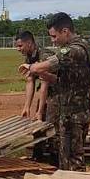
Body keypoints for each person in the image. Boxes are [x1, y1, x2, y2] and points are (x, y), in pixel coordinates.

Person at [22, 13, 90, 171]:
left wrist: (32, 67)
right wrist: (43, 75)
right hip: (82, 110)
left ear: (65, 31)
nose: (53, 40)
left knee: (72, 160)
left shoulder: (74, 50)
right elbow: (64, 80)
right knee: (70, 156)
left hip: (72, 115)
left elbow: (48, 63)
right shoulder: (89, 45)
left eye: (54, 36)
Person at [15, 31, 57, 163]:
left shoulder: (44, 55)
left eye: (20, 46)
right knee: (38, 124)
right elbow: (30, 81)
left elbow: (45, 83)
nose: (18, 49)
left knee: (49, 121)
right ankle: (38, 156)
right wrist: (26, 107)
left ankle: (55, 158)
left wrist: (39, 111)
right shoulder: (30, 56)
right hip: (47, 89)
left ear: (29, 43)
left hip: (58, 91)